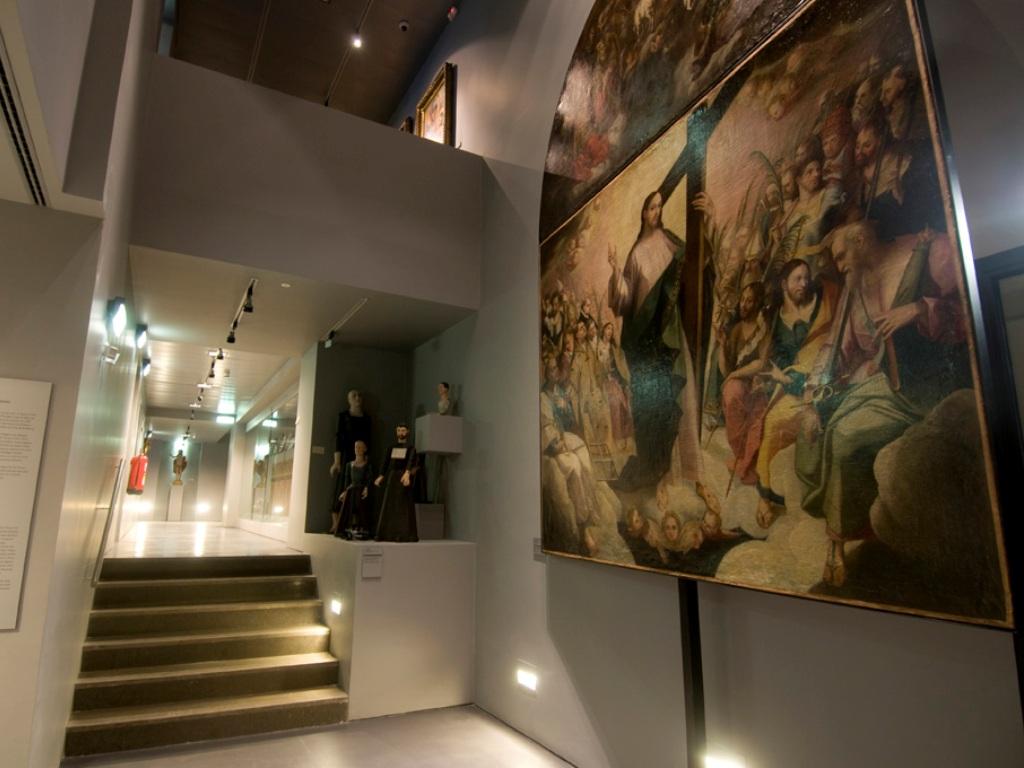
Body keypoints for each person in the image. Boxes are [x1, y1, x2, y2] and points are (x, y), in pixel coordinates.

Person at [795, 221, 970, 586]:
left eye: (841, 256)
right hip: (887, 386)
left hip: (929, 390)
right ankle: (843, 528)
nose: (840, 266)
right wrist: (811, 398)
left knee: (845, 437)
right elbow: (836, 347)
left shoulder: (931, 252)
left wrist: (920, 309)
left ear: (861, 239)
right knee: (819, 427)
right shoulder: (856, 286)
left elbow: (970, 317)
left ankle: (839, 540)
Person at [606, 189, 701, 491]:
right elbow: (625, 300)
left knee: (672, 397)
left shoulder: (671, 242)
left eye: (659, 207)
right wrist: (615, 269)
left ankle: (675, 470)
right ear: (643, 212)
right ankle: (655, 466)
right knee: (649, 404)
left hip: (668, 333)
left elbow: (694, 266)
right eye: (651, 207)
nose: (656, 212)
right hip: (645, 337)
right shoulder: (636, 253)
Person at [754, 259, 838, 528]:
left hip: (823, 379)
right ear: (784, 284)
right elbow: (777, 362)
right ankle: (766, 496)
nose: (803, 283)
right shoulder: (776, 320)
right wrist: (779, 378)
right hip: (793, 382)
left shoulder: (821, 306)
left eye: (806, 278)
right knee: (771, 424)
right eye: (797, 279)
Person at [717, 280, 769, 486]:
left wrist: (734, 376)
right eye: (743, 300)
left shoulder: (763, 329)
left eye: (749, 301)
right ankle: (741, 456)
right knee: (732, 393)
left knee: (757, 410)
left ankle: (751, 461)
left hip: (760, 383)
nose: (744, 305)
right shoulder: (737, 330)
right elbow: (726, 371)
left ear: (757, 303)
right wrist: (721, 346)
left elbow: (762, 363)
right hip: (739, 384)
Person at [374, 424, 422, 542]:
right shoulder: (391, 447)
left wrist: (407, 473)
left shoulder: (410, 448)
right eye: (399, 430)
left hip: (403, 478)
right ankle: (387, 533)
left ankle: (403, 534)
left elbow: (411, 461)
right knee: (390, 504)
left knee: (403, 506)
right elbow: (386, 462)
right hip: (392, 477)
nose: (401, 432)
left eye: (403, 430)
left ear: (407, 432)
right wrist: (381, 476)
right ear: (396, 432)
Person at [332, 440, 373, 539]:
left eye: (360, 447)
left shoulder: (367, 465)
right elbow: (347, 480)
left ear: (364, 449)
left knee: (360, 503)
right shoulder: (349, 465)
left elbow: (369, 478)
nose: (357, 449)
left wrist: (366, 488)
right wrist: (345, 491)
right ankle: (347, 528)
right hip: (352, 489)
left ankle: (362, 529)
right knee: (348, 503)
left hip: (361, 490)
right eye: (356, 447)